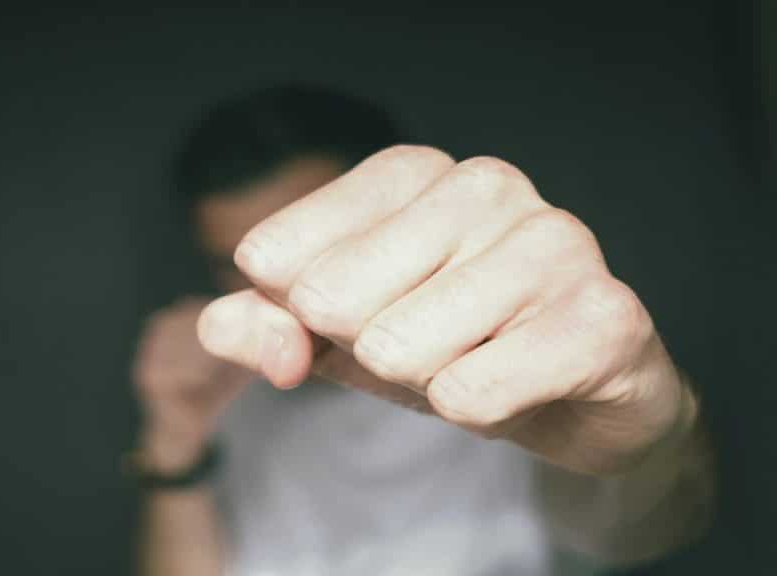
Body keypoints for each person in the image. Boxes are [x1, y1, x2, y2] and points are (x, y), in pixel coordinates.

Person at [127, 85, 714, 576]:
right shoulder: (223, 395)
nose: (277, 294)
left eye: (310, 243)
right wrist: (175, 443)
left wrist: (649, 438)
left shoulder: (511, 360)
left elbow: (651, 532)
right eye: (235, 264)